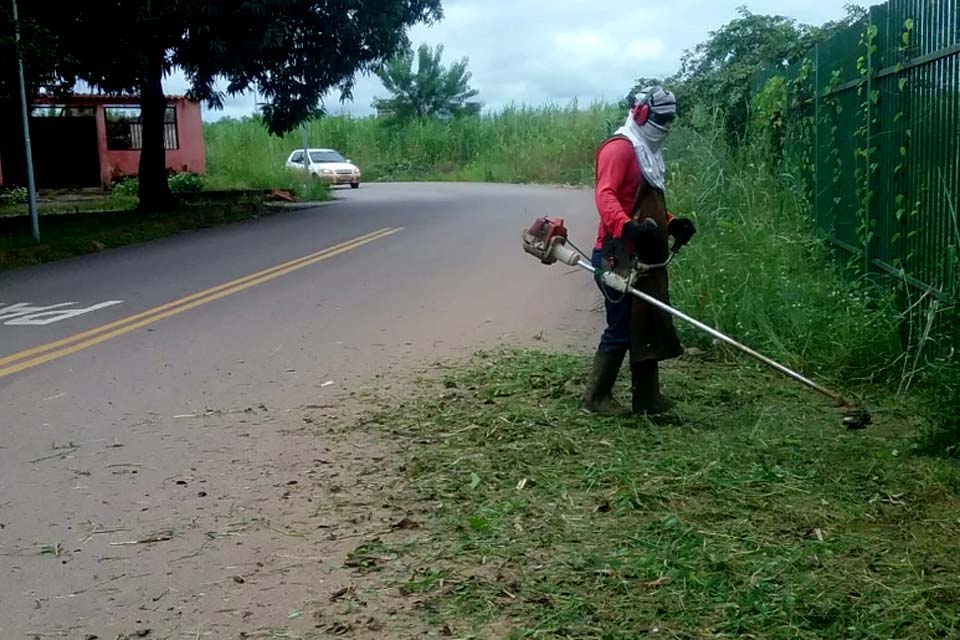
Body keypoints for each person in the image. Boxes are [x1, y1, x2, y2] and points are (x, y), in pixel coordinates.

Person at [582, 86, 696, 416]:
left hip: (644, 258)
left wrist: (671, 223)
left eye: (671, 120)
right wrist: (626, 226)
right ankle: (595, 398)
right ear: (643, 114)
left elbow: (645, 201)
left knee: (646, 324)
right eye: (662, 119)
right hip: (617, 255)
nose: (667, 127)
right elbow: (606, 196)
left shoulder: (648, 152)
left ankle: (647, 398)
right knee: (620, 328)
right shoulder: (620, 149)